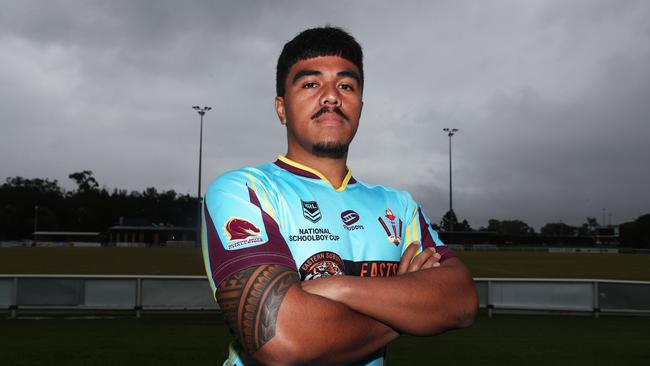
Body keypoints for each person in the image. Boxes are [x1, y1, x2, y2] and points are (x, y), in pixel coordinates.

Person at [202, 26, 478, 366]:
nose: (331, 96)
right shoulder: (245, 190)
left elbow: (461, 302)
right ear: (281, 108)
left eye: (346, 85)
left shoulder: (399, 207)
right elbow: (280, 338)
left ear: (360, 105)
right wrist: (407, 302)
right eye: (310, 84)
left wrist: (336, 288)